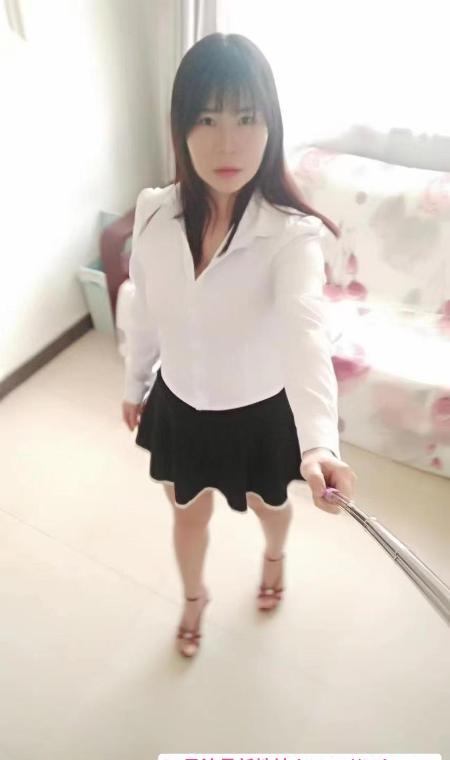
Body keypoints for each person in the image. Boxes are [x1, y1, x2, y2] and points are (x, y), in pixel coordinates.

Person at [122, 33, 357, 658]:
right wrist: (134, 382)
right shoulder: (153, 213)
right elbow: (141, 308)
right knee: (186, 513)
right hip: (180, 404)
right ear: (181, 127)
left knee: (271, 506)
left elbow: (306, 333)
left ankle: (275, 557)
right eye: (207, 119)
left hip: (259, 411)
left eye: (246, 118)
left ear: (270, 125)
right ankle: (193, 598)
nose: (227, 142)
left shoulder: (291, 237)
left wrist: (319, 444)